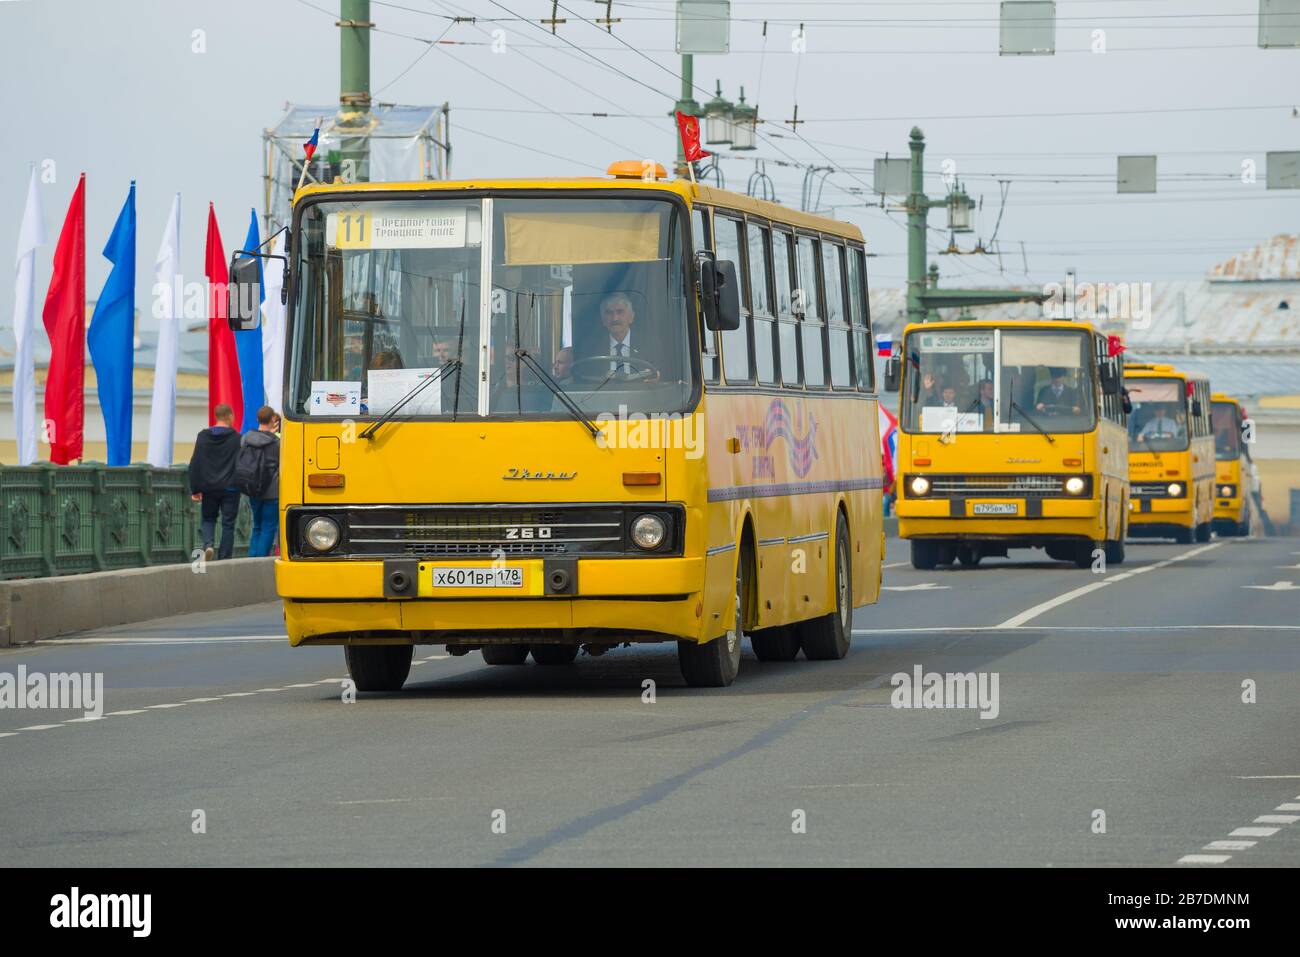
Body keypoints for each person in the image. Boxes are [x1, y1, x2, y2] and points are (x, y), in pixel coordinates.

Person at [188, 403, 242, 562]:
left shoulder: (203, 437)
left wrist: (195, 488)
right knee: (228, 524)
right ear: (229, 416)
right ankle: (225, 557)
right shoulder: (236, 438)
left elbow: (195, 462)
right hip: (231, 487)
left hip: (209, 487)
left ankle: (208, 545)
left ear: (216, 416)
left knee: (208, 518)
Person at [238, 406, 281, 558]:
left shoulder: (246, 438)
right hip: (271, 490)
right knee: (268, 527)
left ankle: (252, 560)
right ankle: (261, 560)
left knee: (256, 526)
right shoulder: (276, 442)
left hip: (252, 487)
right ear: (272, 420)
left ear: (257, 419)